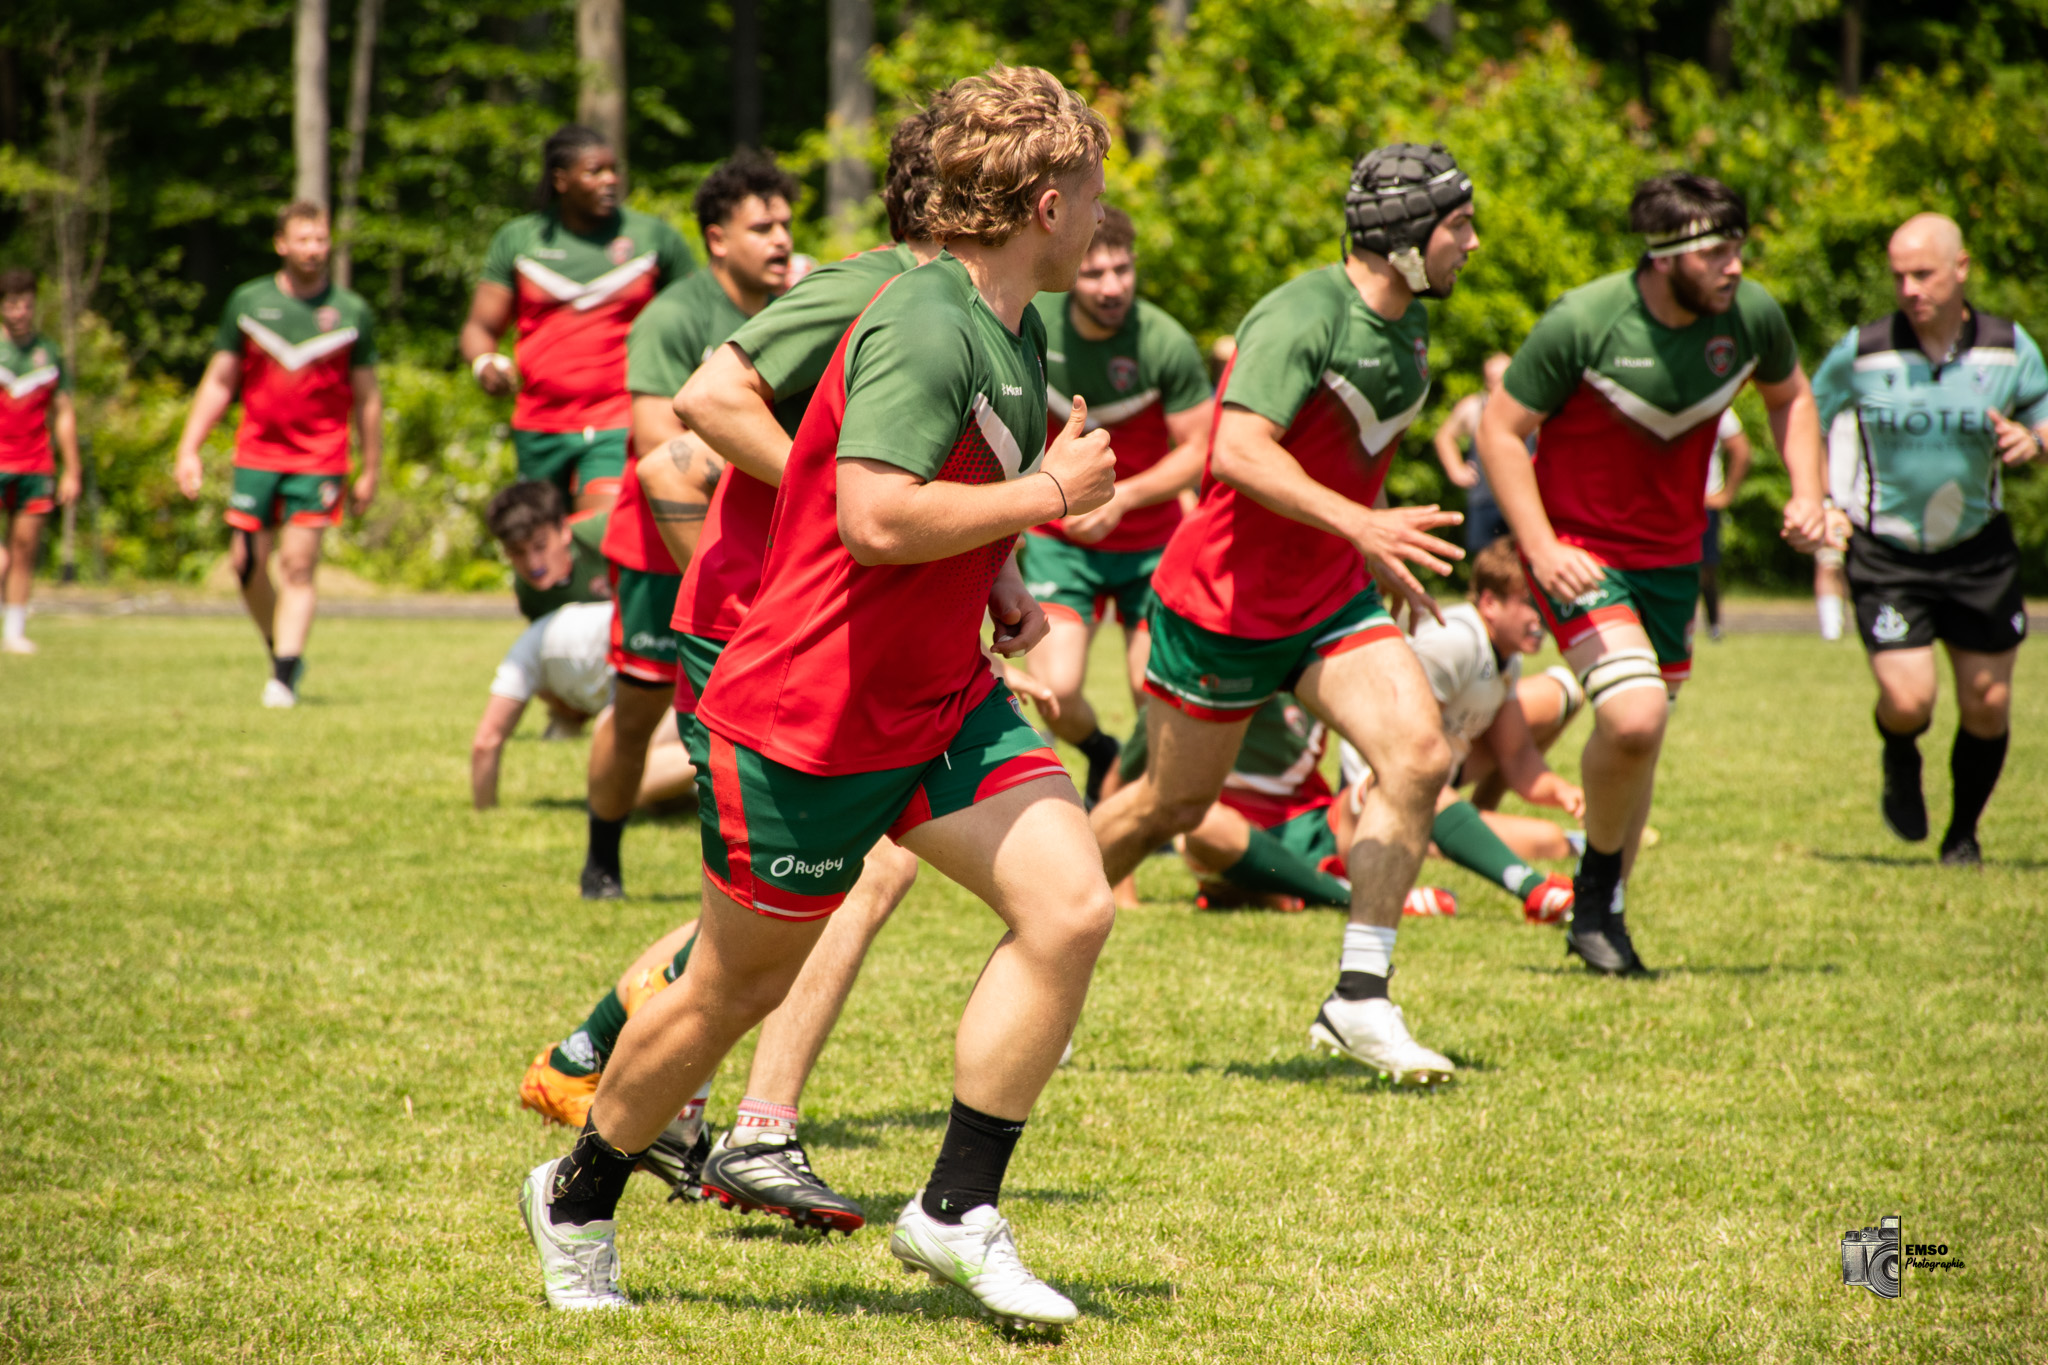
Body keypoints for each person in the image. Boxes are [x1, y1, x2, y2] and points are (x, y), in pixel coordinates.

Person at [520, 68, 1118, 1329]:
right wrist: (1049, 502)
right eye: (1098, 197)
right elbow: (875, 514)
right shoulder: (919, 318)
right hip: (807, 715)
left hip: (938, 695)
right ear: (1048, 203)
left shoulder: (1007, 323)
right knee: (728, 993)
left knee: (1068, 905)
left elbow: (946, 488)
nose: (1107, 223)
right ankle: (576, 1192)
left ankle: (955, 1212)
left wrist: (1002, 569)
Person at [1088, 143, 1475, 1088]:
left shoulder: (1409, 325)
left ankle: (1360, 995)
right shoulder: (1303, 313)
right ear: (1402, 239)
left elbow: (1346, 454)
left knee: (1419, 755)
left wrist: (1363, 543)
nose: (1471, 242)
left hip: (1328, 599)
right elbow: (1236, 451)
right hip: (1221, 606)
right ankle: (1036, 936)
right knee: (1169, 805)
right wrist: (1363, 525)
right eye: (1457, 226)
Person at [1475, 171, 1828, 976]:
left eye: (1739, 245)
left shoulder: (1750, 316)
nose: (1735, 265)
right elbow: (1500, 429)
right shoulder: (1586, 320)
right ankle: (1597, 897)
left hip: (1673, 563)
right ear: (1665, 259)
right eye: (1716, 251)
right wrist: (1540, 545)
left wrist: (1809, 491)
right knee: (1634, 718)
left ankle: (1605, 914)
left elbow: (1792, 397)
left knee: (1642, 737)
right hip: (1580, 555)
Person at [580, 152, 799, 900]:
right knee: (640, 706)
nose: (780, 240)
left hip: (760, 538)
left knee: (746, 704)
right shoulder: (673, 317)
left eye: (787, 225)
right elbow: (651, 439)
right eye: (761, 226)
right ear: (716, 239)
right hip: (658, 545)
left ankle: (753, 865)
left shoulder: (805, 308)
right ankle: (601, 854)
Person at [1810, 212, 2048, 866]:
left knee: (1988, 701)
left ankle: (1962, 832)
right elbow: (1807, 408)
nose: (1910, 289)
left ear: (1961, 269)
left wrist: (2035, 440)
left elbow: (2044, 414)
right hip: (1887, 551)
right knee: (1908, 698)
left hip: (1978, 549)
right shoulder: (1865, 349)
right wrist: (1820, 498)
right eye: (1899, 277)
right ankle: (1899, 749)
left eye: (1924, 274)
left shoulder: (2008, 347)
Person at [1017, 205, 1212, 804]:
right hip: (1059, 543)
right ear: (1074, 265)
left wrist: (1123, 498)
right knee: (1056, 689)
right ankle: (1101, 752)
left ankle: (1136, 803)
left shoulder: (1163, 341)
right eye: (1096, 272)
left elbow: (1204, 448)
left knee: (1152, 689)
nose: (1111, 286)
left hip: (1151, 546)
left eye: (1122, 271)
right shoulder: (1034, 319)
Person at [173, 202, 382, 707]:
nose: (314, 249)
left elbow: (368, 397)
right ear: (280, 244)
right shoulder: (248, 302)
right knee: (244, 563)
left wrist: (371, 467)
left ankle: (284, 675)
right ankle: (279, 648)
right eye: (303, 239)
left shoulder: (351, 312)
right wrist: (189, 448)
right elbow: (221, 380)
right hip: (257, 454)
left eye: (321, 239)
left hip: (321, 457)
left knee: (298, 565)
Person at [1336, 537, 1584, 922]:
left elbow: (1517, 757)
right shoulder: (1455, 642)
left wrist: (1564, 792)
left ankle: (1466, 824)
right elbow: (1403, 747)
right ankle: (1451, 841)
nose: (1541, 618)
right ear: (1489, 603)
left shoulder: (1506, 654)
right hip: (1382, 782)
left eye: (1546, 604)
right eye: (1529, 603)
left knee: (1565, 691)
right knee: (1549, 840)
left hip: (1441, 769)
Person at [461, 125, 692, 514]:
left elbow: (697, 309)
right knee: (538, 546)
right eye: (594, 171)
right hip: (538, 424)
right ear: (561, 180)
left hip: (618, 419)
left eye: (613, 170)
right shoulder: (520, 240)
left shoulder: (652, 238)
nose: (610, 180)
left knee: (593, 537)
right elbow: (480, 328)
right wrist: (484, 362)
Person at [469, 598, 696, 811]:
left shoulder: (526, 653)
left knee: (622, 780)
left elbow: (486, 741)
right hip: (682, 654)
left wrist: (484, 812)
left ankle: (720, 756)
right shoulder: (569, 640)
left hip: (674, 671)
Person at [0, 268, 81, 655]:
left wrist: (72, 469)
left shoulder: (48, 352)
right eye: (12, 304)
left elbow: (63, 413)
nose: (20, 312)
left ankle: (14, 631)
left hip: (35, 464)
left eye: (26, 304)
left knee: (24, 548)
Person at [1432, 352, 1515, 555]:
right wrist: (1456, 470)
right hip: (1484, 497)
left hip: (1521, 496)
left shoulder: (1526, 406)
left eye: (1503, 378)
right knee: (1485, 561)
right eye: (1492, 379)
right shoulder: (1474, 406)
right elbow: (1444, 436)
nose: (1497, 385)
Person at [1698, 408, 1753, 640]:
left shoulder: (1718, 401)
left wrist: (1727, 494)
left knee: (1706, 569)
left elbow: (1741, 449)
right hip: (1664, 502)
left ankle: (1713, 626)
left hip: (1704, 502)